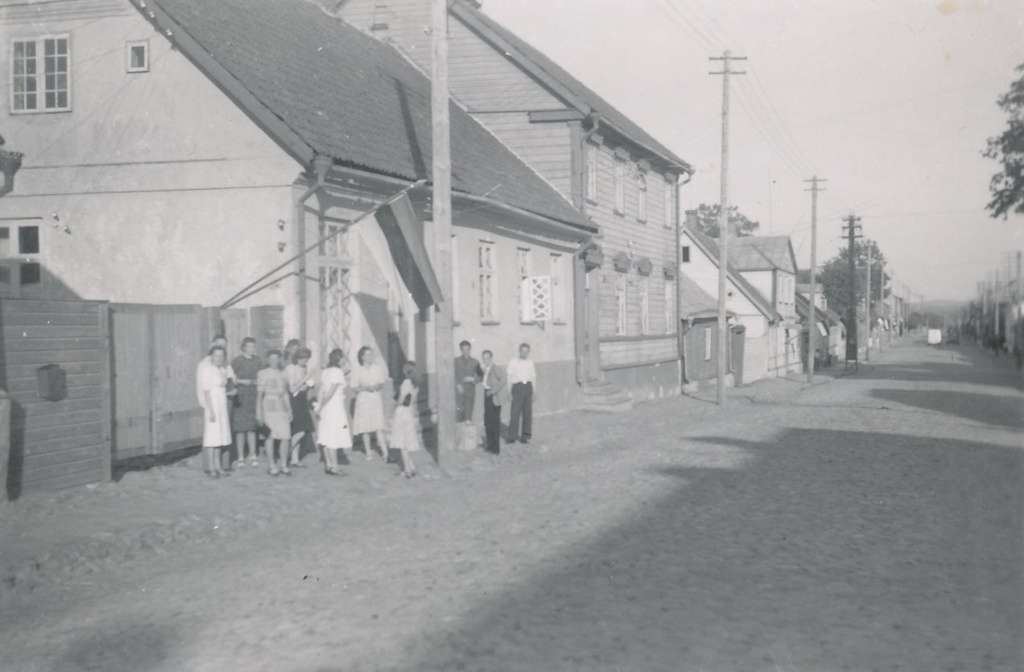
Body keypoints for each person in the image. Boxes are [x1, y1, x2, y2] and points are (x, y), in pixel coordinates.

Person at [317, 348, 353, 476]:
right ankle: (335, 466)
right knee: (335, 433)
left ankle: (329, 464)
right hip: (335, 407)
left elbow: (322, 390)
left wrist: (320, 405)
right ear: (339, 359)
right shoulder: (337, 372)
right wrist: (322, 406)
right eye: (342, 357)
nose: (344, 359)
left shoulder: (326, 372)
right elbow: (331, 392)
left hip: (327, 408)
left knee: (327, 435)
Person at [199, 345, 232, 478]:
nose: (219, 358)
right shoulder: (207, 370)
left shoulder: (222, 370)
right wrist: (211, 411)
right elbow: (206, 392)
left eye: (221, 356)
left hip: (222, 405)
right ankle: (211, 468)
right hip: (212, 406)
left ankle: (218, 466)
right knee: (212, 438)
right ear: (211, 356)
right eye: (216, 355)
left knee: (221, 437)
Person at [257, 349, 292, 476]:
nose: (273, 361)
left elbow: (286, 394)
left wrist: (289, 410)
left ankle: (283, 464)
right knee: (270, 435)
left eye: (276, 359)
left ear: (279, 360)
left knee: (285, 436)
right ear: (267, 360)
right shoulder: (262, 373)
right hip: (268, 406)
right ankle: (272, 465)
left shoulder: (283, 374)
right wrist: (258, 413)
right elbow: (259, 395)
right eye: (271, 359)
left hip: (281, 406)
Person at [350, 346, 389, 461]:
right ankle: (368, 452)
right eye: (367, 355)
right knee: (365, 426)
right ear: (362, 357)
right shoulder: (357, 370)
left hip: (375, 399)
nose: (369, 357)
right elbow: (353, 387)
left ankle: (385, 452)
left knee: (378, 426)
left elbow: (382, 383)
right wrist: (365, 388)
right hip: (363, 400)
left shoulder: (377, 369)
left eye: (371, 354)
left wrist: (376, 386)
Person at [230, 337, 263, 468]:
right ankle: (240, 457)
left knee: (251, 427)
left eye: (253, 347)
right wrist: (241, 382)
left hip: (253, 395)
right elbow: (230, 377)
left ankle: (253, 454)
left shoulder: (258, 361)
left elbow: (262, 375)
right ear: (243, 347)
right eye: (249, 347)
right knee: (240, 429)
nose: (252, 349)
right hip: (241, 396)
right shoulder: (237, 361)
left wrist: (257, 382)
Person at [389, 361, 422, 478]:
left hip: (402, 412)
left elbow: (401, 399)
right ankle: (411, 467)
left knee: (402, 441)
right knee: (407, 439)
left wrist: (394, 409)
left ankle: (407, 470)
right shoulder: (416, 384)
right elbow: (412, 400)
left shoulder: (406, 382)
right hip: (409, 412)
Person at [285, 348, 316, 468]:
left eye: (306, 359)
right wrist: (305, 378)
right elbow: (292, 389)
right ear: (297, 358)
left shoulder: (302, 368)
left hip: (302, 399)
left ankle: (294, 459)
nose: (305, 362)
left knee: (298, 431)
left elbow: (303, 386)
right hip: (294, 401)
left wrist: (309, 385)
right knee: (301, 431)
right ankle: (286, 453)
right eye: (303, 359)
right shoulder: (291, 368)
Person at [480, 349, 510, 454]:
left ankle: (496, 449)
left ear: (491, 358)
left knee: (494, 423)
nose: (485, 360)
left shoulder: (495, 368)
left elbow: (503, 380)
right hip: (487, 395)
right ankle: (490, 445)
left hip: (494, 397)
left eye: (487, 358)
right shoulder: (486, 369)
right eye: (483, 358)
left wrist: (492, 391)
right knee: (488, 421)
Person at [506, 342, 536, 444]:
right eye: (522, 351)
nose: (524, 353)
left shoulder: (530, 362)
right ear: (519, 351)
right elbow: (509, 377)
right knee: (515, 413)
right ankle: (512, 437)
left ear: (529, 352)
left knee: (527, 414)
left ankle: (525, 437)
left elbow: (533, 378)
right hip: (517, 388)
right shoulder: (513, 362)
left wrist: (534, 391)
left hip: (528, 387)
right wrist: (509, 391)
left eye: (526, 351)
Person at [454, 340, 482, 424]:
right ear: (460, 350)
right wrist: (457, 384)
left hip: (470, 391)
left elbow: (481, 376)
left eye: (467, 349)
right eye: (463, 349)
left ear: (470, 349)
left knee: (468, 416)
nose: (465, 352)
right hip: (458, 392)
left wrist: (473, 379)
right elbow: (450, 375)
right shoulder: (455, 361)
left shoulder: (475, 362)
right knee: (458, 415)